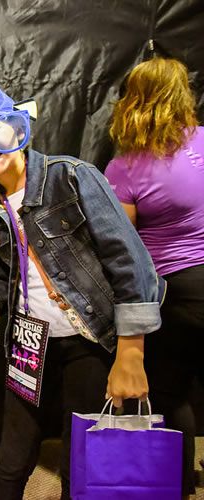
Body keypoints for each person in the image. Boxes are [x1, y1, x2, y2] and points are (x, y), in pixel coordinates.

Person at [0, 70, 164, 500]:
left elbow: (132, 263)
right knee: (11, 461)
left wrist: (131, 353)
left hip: (88, 342)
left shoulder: (71, 176)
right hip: (31, 345)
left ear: (15, 127)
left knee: (81, 461)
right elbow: (8, 283)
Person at [105, 56, 204, 498]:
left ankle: (177, 487)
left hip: (176, 290)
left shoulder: (125, 167)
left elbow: (123, 247)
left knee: (169, 393)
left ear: (132, 100)